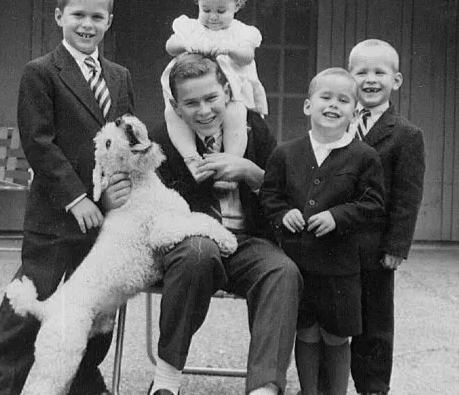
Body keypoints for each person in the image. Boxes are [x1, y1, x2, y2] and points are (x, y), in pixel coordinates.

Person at [0, 0, 135, 395]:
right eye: (78, 15)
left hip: (106, 216)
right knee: (27, 307)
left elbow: (125, 139)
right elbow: (39, 142)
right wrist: (77, 198)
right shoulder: (42, 72)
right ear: (59, 16)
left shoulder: (119, 76)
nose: (87, 25)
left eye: (97, 17)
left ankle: (82, 382)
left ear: (109, 21)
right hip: (57, 213)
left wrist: (119, 194)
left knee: (95, 309)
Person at [147, 52, 301, 395]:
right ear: (175, 105)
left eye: (211, 98)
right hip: (192, 239)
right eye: (191, 103)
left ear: (227, 93)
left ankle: (265, 386)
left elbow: (282, 193)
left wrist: (250, 172)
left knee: (282, 271)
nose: (203, 111)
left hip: (247, 239)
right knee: (197, 253)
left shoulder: (253, 129)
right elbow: (157, 209)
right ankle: (167, 380)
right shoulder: (162, 140)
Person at [260, 68, 385, 395]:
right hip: (298, 264)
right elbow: (270, 196)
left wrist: (339, 216)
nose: (333, 105)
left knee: (336, 334)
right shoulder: (286, 152)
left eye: (343, 100)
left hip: (339, 267)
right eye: (325, 97)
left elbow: (373, 204)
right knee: (306, 331)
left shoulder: (364, 156)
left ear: (354, 112)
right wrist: (283, 213)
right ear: (307, 105)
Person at [347, 39, 426, 395]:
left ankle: (373, 388)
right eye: (361, 72)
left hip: (376, 247)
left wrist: (397, 246)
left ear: (396, 81)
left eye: (380, 72)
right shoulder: (336, 122)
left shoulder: (406, 135)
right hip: (333, 241)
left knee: (374, 324)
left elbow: (407, 198)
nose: (370, 79)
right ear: (350, 78)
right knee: (328, 319)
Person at [160, 0, 268, 188]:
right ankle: (191, 159)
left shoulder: (241, 32)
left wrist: (228, 48)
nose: (212, 17)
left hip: (233, 89)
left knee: (236, 115)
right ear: (198, 2)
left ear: (237, 6)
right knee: (172, 114)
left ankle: (230, 164)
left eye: (220, 10)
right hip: (192, 80)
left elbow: (247, 56)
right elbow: (170, 46)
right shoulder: (190, 27)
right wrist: (186, 44)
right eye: (206, 9)